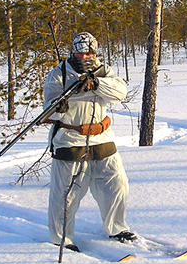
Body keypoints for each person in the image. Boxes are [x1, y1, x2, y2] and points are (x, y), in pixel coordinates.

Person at [43, 32, 136, 252]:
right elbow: (48, 108)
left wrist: (96, 84)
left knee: (117, 185)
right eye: (80, 51)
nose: (84, 55)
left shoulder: (103, 71)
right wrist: (62, 104)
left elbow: (119, 91)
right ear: (72, 51)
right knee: (67, 194)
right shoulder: (59, 74)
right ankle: (61, 239)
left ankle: (116, 228)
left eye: (89, 51)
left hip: (102, 138)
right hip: (70, 139)